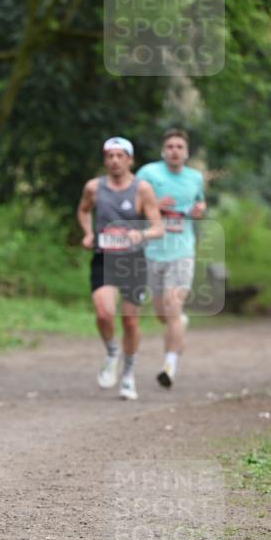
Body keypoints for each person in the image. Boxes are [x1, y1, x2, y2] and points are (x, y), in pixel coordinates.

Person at [77, 137, 163, 400]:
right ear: (105, 160)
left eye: (119, 156)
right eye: (109, 156)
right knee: (104, 313)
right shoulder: (94, 187)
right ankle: (112, 352)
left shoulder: (142, 189)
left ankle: (128, 373)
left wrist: (142, 235)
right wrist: (88, 233)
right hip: (103, 257)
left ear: (129, 159)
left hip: (132, 260)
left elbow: (158, 226)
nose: (114, 161)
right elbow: (83, 211)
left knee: (130, 321)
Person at [136, 128, 206, 388]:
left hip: (182, 251)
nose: (175, 151)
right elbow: (133, 204)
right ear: (163, 151)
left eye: (179, 147)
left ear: (186, 153)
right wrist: (153, 204)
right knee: (163, 315)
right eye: (170, 146)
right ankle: (179, 326)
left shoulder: (195, 178)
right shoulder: (148, 174)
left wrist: (199, 210)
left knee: (173, 307)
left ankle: (169, 366)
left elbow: (200, 204)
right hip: (153, 251)